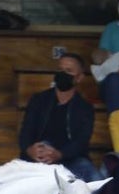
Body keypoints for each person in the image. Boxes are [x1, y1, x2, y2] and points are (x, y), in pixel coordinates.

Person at [17, 52, 102, 183]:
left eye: (69, 71)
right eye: (60, 69)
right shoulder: (39, 100)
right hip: (38, 155)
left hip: (69, 159)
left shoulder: (84, 107)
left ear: (79, 78)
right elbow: (26, 131)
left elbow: (81, 141)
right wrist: (30, 150)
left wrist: (59, 154)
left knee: (95, 180)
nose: (63, 74)